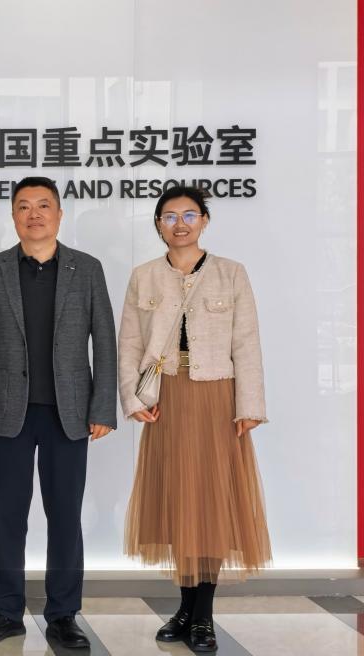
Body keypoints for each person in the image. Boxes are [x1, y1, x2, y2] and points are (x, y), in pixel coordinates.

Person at [0, 177, 116, 649]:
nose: (34, 214)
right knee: (9, 516)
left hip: (69, 414)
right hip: (8, 412)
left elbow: (105, 342)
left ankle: (63, 615)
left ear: (59, 214)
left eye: (43, 205)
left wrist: (102, 406)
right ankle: (6, 612)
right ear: (13, 216)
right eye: (24, 206)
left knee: (66, 516)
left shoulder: (86, 269)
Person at [120, 185, 271, 653]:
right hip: (165, 398)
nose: (180, 224)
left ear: (204, 220)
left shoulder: (230, 273)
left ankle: (203, 615)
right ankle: (184, 609)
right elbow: (129, 343)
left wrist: (249, 407)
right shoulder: (144, 276)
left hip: (215, 399)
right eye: (170, 216)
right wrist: (132, 397)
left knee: (209, 506)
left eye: (189, 215)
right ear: (158, 225)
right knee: (177, 502)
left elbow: (246, 343)